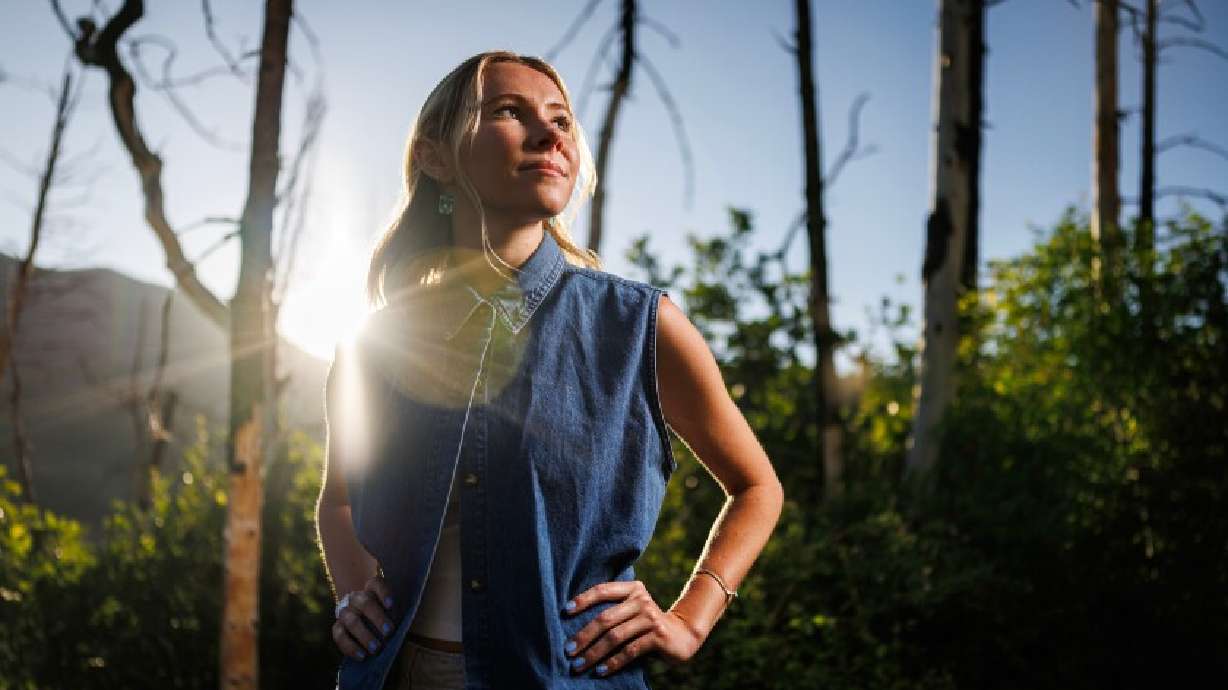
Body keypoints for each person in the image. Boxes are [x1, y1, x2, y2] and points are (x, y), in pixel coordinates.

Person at [315, 50, 784, 690]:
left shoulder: (639, 326)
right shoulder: (374, 345)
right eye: (509, 111)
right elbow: (339, 498)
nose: (550, 134)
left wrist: (690, 620)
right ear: (435, 158)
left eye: (561, 120)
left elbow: (757, 487)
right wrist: (351, 596)